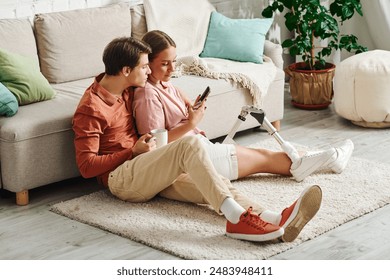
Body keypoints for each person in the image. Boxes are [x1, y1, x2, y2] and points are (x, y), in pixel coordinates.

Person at [72, 36, 323, 243]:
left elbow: (157, 86)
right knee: (189, 145)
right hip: (121, 178)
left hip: (145, 166)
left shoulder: (122, 85)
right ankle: (236, 220)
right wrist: (132, 152)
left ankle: (273, 218)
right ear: (126, 71)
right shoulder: (91, 109)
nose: (149, 71)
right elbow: (86, 167)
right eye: (144, 67)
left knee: (212, 181)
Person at [133, 30, 354, 182]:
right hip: (191, 160)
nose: (173, 68)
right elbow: (155, 147)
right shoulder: (146, 96)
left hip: (201, 148)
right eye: (164, 63)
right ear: (146, 63)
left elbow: (177, 102)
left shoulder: (165, 85)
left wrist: (188, 107)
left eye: (174, 60)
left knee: (263, 154)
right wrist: (191, 122)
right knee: (266, 159)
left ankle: (329, 159)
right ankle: (332, 158)